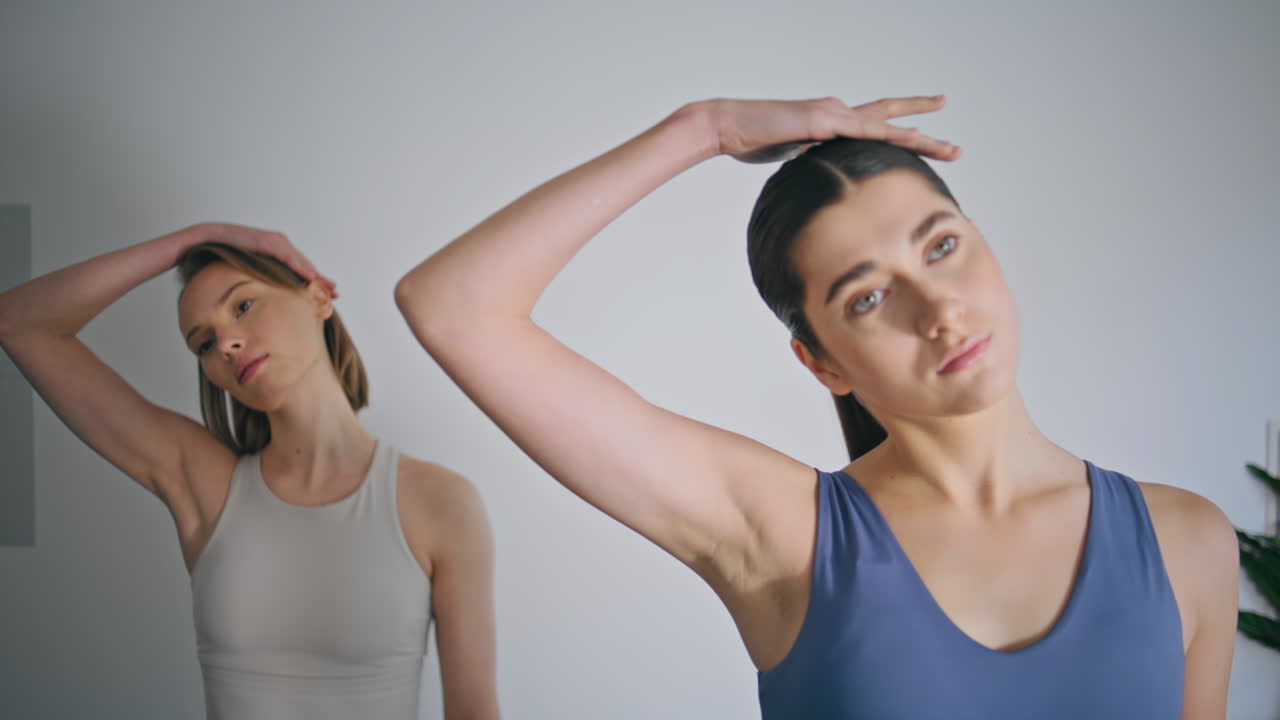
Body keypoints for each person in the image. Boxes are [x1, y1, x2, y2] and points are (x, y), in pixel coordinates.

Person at [394, 96, 1238, 717]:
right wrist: (704, 130)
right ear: (821, 362)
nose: (938, 311)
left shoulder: (1188, 541)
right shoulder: (785, 536)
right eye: (868, 299)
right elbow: (453, 306)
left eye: (942, 247)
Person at [0, 224, 499, 720]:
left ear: (319, 296)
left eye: (242, 306)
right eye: (203, 343)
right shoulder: (205, 484)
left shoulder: (440, 502)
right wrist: (196, 238)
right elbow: (19, 323)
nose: (226, 345)